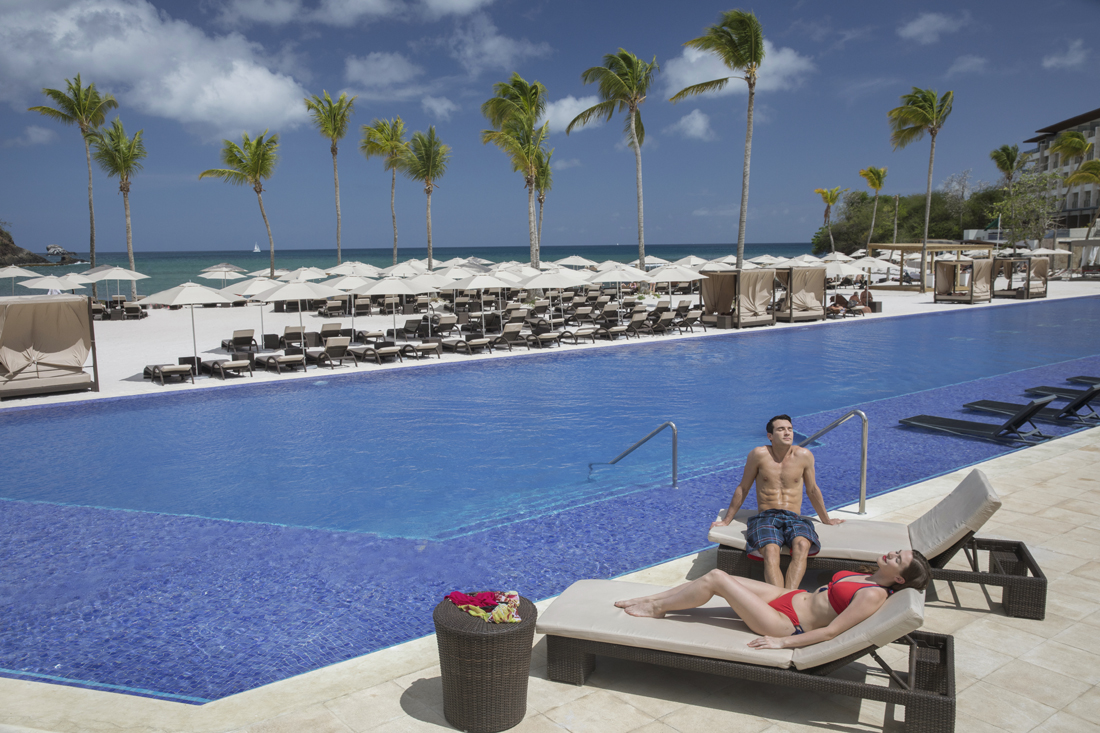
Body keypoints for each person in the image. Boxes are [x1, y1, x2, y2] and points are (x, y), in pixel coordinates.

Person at [616, 550, 931, 649]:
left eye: (897, 559)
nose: (892, 554)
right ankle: (652, 597)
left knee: (717, 579)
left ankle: (656, 608)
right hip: (787, 597)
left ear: (898, 578)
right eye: (897, 552)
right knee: (713, 575)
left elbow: (832, 632)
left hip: (786, 623)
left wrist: (782, 643)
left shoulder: (873, 594)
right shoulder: (868, 576)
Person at [711, 415, 844, 589]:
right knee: (770, 549)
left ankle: (788, 595)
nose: (787, 433)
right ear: (770, 436)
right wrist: (726, 520)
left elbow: (812, 490)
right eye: (781, 429)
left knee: (802, 545)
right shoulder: (759, 455)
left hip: (793, 517)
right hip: (766, 516)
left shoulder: (804, 455)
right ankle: (781, 596)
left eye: (789, 429)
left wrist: (826, 519)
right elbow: (743, 488)